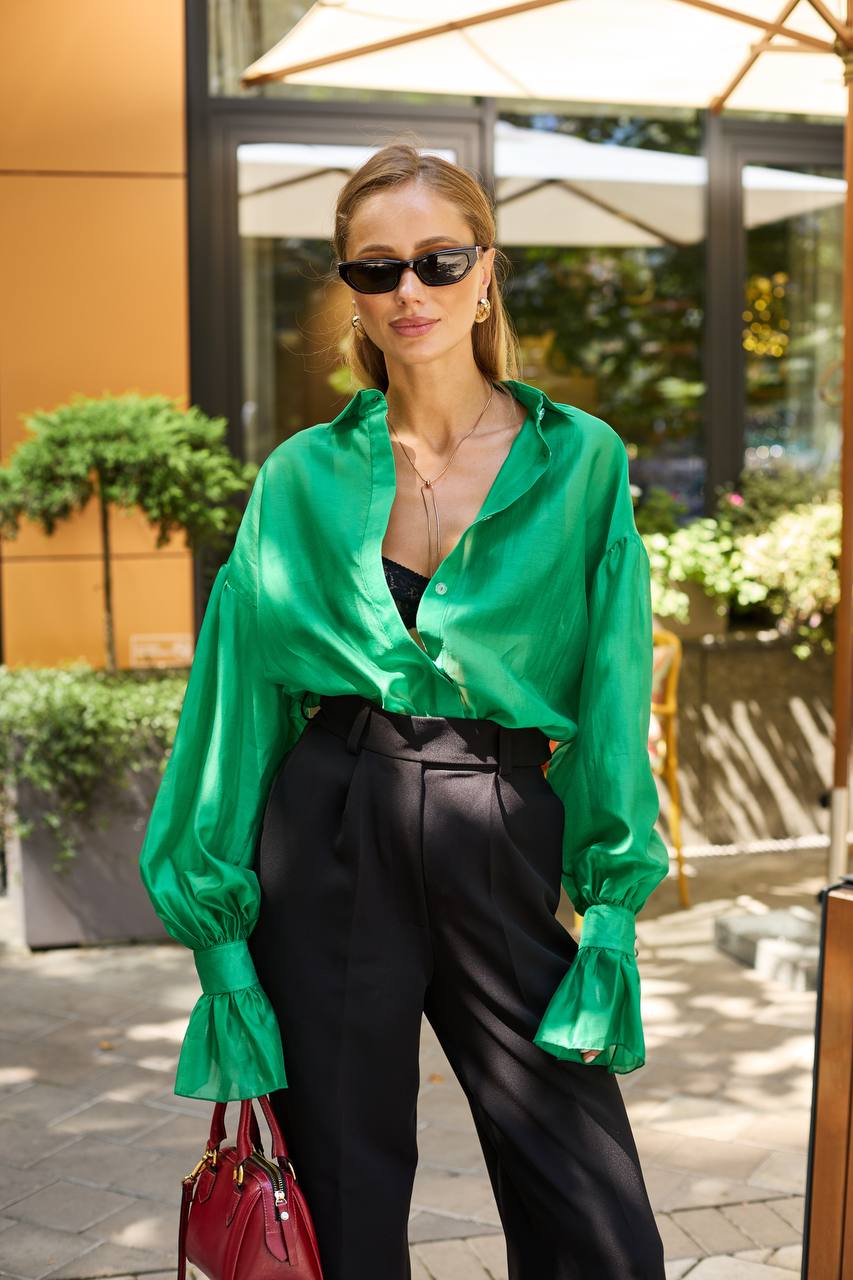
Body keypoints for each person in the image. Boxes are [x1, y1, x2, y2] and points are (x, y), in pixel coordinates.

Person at [138, 140, 670, 1280]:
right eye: (375, 271)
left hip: (496, 818)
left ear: (487, 273)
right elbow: (237, 704)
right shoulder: (298, 477)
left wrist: (613, 901)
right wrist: (221, 946)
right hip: (329, 821)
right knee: (338, 1193)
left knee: (588, 1196)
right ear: (353, 295)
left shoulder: (577, 461)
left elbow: (614, 686)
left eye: (436, 260)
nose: (408, 291)